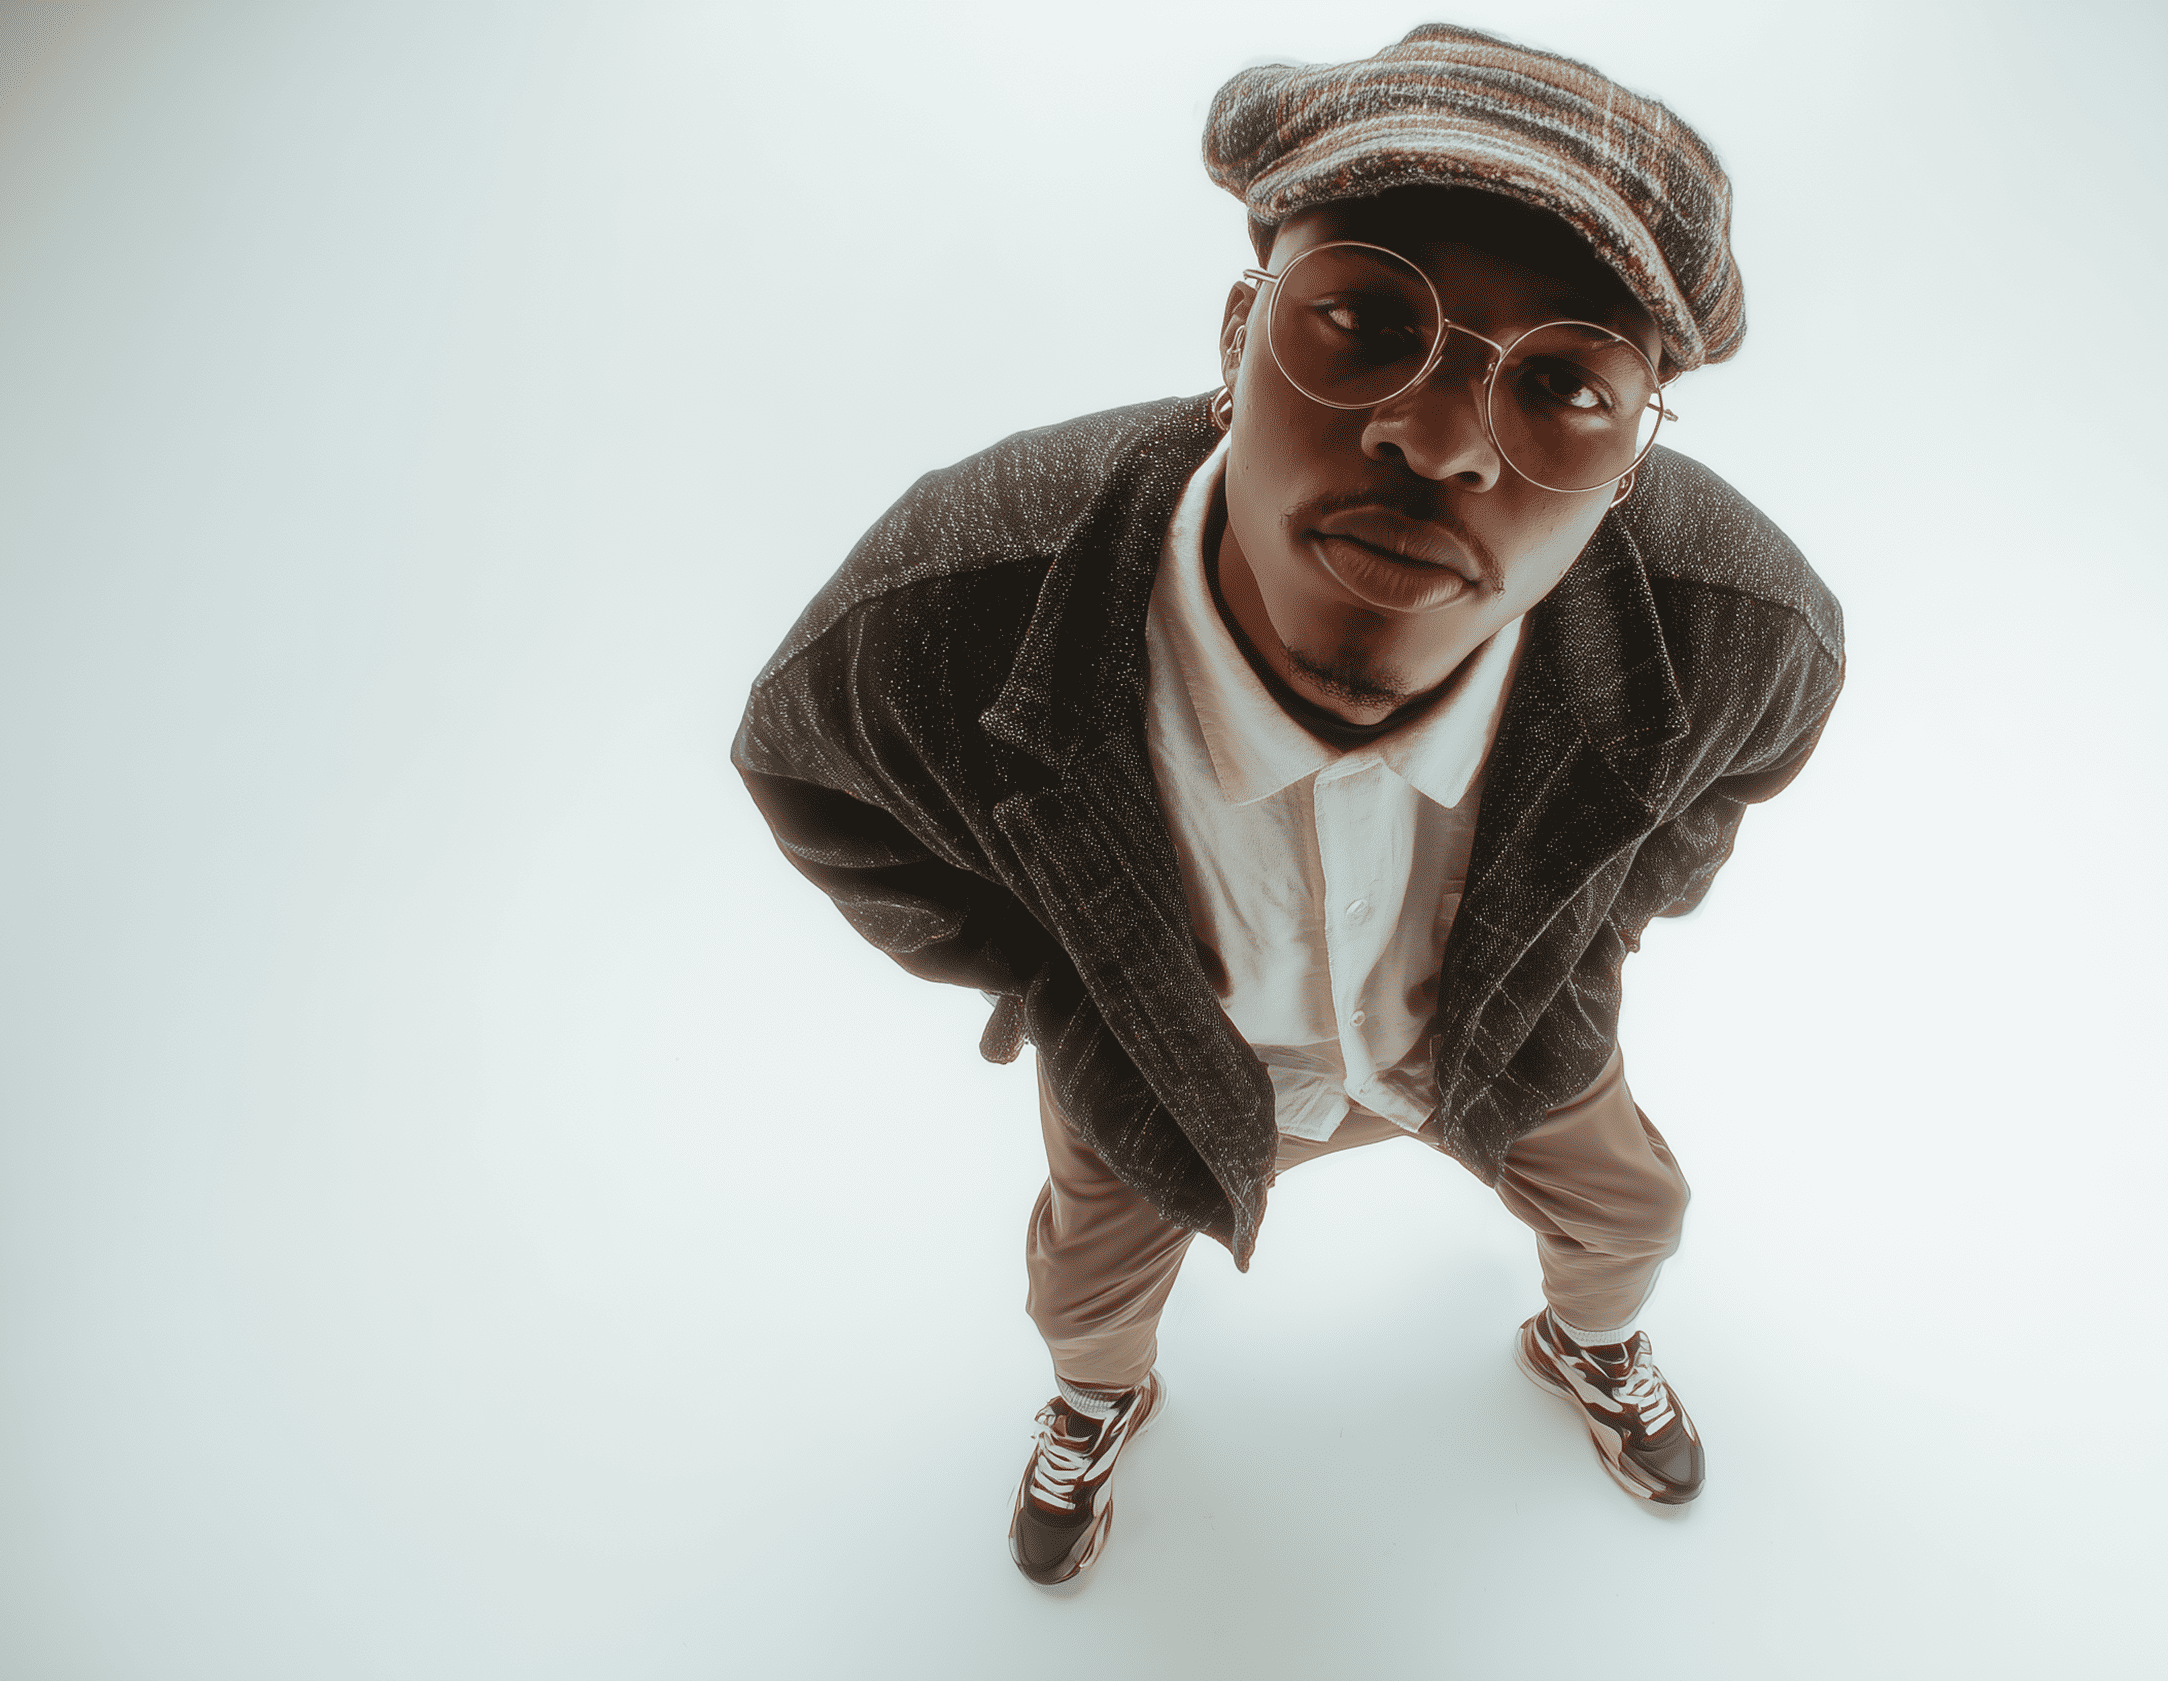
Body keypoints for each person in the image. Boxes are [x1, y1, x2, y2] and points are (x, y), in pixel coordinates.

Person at [731, 23, 1842, 1586]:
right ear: (1243, 321)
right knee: (1081, 1289)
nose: (1440, 439)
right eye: (1368, 319)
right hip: (1160, 1058)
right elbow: (806, 769)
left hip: (1499, 1036)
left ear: (1629, 466)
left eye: (1568, 388)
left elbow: (1717, 788)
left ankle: (1588, 1347)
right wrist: (1060, 979)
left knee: (1634, 1214)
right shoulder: (953, 600)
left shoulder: (1741, 625)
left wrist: (1588, 937)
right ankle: (1094, 1404)